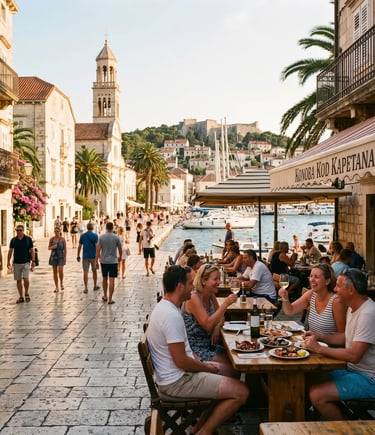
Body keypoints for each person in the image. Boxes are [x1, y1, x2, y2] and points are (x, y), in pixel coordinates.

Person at [146, 265, 249, 433]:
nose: (193, 287)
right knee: (241, 392)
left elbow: (185, 352)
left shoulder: (167, 308)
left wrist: (202, 362)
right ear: (180, 286)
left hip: (174, 376)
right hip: (177, 382)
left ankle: (197, 430)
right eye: (189, 283)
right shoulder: (171, 316)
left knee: (223, 374)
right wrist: (205, 367)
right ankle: (204, 432)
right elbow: (181, 361)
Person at [304, 269, 375, 420]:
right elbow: (345, 338)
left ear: (351, 290)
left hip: (369, 378)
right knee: (307, 375)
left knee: (317, 395)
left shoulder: (368, 314)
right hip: (351, 370)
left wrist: (320, 349)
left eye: (338, 286)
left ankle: (346, 428)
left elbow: (354, 355)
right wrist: (319, 336)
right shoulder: (352, 307)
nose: (335, 290)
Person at [182, 264, 238, 377]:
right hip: (196, 349)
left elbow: (221, 317)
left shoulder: (211, 295)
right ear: (203, 281)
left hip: (209, 344)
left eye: (219, 278)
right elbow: (207, 325)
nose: (219, 282)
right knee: (234, 368)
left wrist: (217, 328)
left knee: (236, 358)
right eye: (215, 279)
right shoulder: (193, 298)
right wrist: (225, 304)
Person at [279, 263, 346, 336]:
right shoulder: (311, 294)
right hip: (311, 344)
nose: (312, 280)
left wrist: (319, 339)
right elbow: (290, 310)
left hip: (327, 346)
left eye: (316, 277)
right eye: (311, 276)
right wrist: (285, 297)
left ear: (327, 281)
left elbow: (342, 335)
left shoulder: (336, 302)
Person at [95, 221, 122, 304]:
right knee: (112, 280)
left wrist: (96, 260)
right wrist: (120, 257)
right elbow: (120, 248)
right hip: (113, 261)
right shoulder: (116, 237)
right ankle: (110, 298)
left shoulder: (101, 237)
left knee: (104, 278)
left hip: (104, 261)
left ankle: (105, 295)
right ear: (112, 227)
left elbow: (98, 249)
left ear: (106, 228)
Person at [7, 224, 35, 303]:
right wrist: (8, 261)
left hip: (26, 262)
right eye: (17, 230)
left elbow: (32, 250)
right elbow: (10, 251)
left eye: (20, 230)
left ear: (23, 231)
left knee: (26, 278)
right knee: (18, 280)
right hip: (16, 262)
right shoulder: (13, 240)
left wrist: (33, 261)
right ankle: (21, 296)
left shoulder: (28, 239)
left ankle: (26, 292)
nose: (18, 232)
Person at [77, 222, 100, 293]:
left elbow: (80, 246)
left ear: (87, 228)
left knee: (85, 272)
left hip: (85, 256)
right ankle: (95, 285)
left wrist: (78, 255)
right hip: (93, 256)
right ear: (93, 228)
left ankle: (86, 287)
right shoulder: (95, 236)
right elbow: (97, 247)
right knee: (94, 271)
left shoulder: (83, 236)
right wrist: (98, 258)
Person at [48, 227, 67, 292]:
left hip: (61, 256)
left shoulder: (62, 239)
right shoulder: (52, 239)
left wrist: (65, 257)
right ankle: (56, 287)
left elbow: (65, 249)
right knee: (55, 272)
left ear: (60, 231)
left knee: (60, 271)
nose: (56, 233)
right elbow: (49, 247)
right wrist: (52, 247)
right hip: (53, 256)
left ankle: (61, 283)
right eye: (55, 231)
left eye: (57, 231)